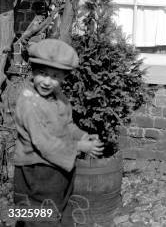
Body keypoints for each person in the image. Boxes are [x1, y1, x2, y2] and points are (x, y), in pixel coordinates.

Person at [14, 38, 103, 226]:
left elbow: (67, 124)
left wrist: (81, 136)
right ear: (33, 71)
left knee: (58, 210)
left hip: (58, 168)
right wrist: (80, 146)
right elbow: (44, 142)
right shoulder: (29, 102)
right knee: (39, 216)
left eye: (55, 76)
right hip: (37, 171)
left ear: (64, 77)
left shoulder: (58, 97)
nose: (47, 81)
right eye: (42, 73)